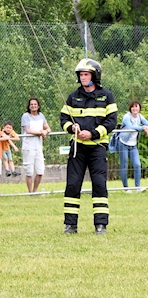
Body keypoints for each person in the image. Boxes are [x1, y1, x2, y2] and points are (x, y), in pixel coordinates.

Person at [60, 57, 118, 235]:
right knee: (72, 184)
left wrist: (92, 134)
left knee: (99, 184)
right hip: (78, 147)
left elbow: (111, 122)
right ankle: (70, 225)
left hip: (98, 147)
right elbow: (63, 119)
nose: (82, 77)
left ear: (94, 76)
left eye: (86, 74)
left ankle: (101, 225)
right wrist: (72, 129)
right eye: (81, 74)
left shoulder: (107, 96)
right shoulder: (72, 97)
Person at [20, 98, 49, 193]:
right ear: (29, 106)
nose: (33, 106)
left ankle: (35, 190)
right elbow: (28, 130)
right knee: (29, 171)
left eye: (35, 104)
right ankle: (30, 191)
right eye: (31, 104)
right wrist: (41, 132)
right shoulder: (25, 116)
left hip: (38, 147)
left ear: (38, 106)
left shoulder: (41, 116)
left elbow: (48, 128)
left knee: (40, 171)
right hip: (28, 147)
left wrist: (45, 131)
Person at [118, 101, 148, 191]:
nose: (134, 109)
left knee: (137, 165)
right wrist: (143, 128)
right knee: (124, 165)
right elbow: (130, 126)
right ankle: (126, 188)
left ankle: (137, 187)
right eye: (133, 107)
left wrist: (146, 127)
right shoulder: (127, 117)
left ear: (139, 108)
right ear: (130, 108)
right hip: (123, 143)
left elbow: (147, 123)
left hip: (133, 145)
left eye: (136, 107)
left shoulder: (139, 117)